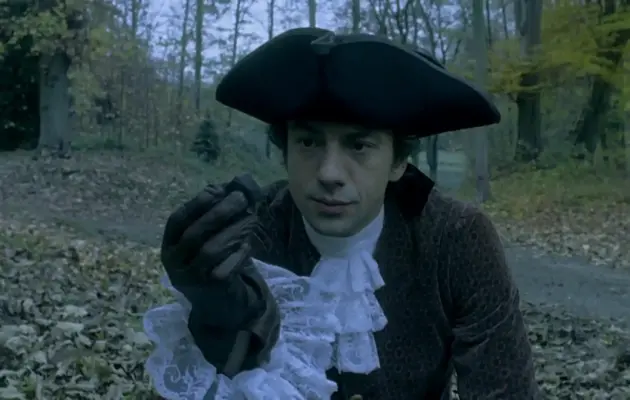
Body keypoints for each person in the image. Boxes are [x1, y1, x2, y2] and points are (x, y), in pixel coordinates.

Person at [143, 27, 540, 399]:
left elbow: (504, 389)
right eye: (308, 142)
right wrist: (217, 324)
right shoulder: (251, 232)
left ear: (398, 162)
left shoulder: (457, 239)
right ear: (285, 152)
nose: (329, 173)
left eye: (359, 145)